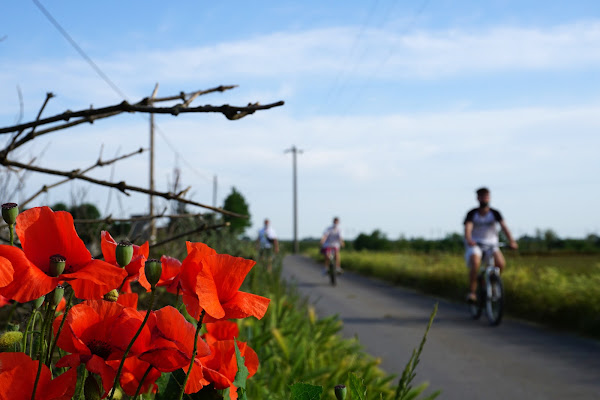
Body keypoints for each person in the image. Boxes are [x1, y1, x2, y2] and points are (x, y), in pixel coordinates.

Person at [464, 187, 518, 302]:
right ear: (478, 198)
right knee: (475, 263)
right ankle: (472, 293)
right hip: (476, 243)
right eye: (482, 196)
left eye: (486, 196)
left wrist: (512, 241)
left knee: (500, 264)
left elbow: (504, 228)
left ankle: (493, 285)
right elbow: (468, 228)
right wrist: (469, 239)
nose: (484, 199)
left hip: (492, 244)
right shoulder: (472, 213)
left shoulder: (495, 213)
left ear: (489, 198)